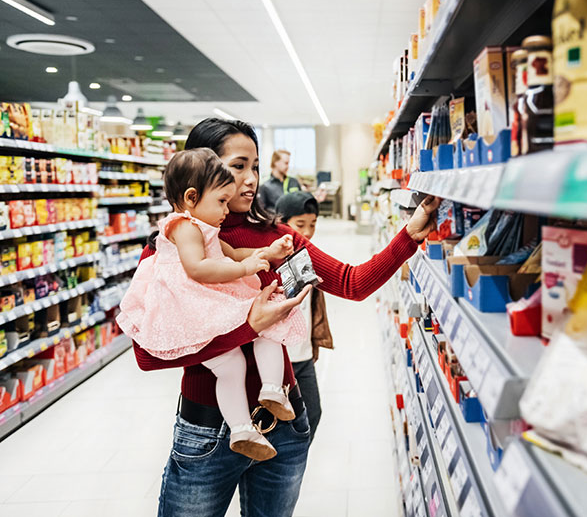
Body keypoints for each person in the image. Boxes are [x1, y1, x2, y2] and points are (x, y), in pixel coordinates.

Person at [130, 117, 440, 517]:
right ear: (201, 169)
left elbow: (352, 282)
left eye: (255, 166)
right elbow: (147, 355)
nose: (250, 179)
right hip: (208, 432)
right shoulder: (171, 250)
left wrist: (409, 235)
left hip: (284, 427)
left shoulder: (278, 240)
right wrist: (249, 326)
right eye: (237, 166)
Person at [118, 148, 305, 462]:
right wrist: (246, 270)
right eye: (221, 201)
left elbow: (231, 254)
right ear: (191, 198)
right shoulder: (184, 226)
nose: (225, 210)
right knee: (258, 334)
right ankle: (259, 405)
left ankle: (251, 416)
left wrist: (269, 252)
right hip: (192, 308)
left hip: (204, 306)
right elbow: (198, 268)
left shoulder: (204, 227)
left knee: (236, 362)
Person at [274, 191, 331, 443]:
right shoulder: (271, 259)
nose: (307, 233)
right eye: (300, 225)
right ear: (281, 222)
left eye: (313, 224)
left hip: (303, 355)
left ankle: (292, 462)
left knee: (313, 413)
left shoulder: (307, 256)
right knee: (283, 420)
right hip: (279, 358)